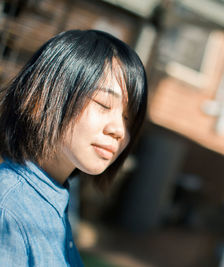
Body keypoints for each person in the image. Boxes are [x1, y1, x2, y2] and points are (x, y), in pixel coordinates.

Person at [0, 29, 147, 266]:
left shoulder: (54, 200)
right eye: (103, 104)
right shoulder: (8, 209)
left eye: (129, 119)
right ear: (47, 94)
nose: (119, 131)